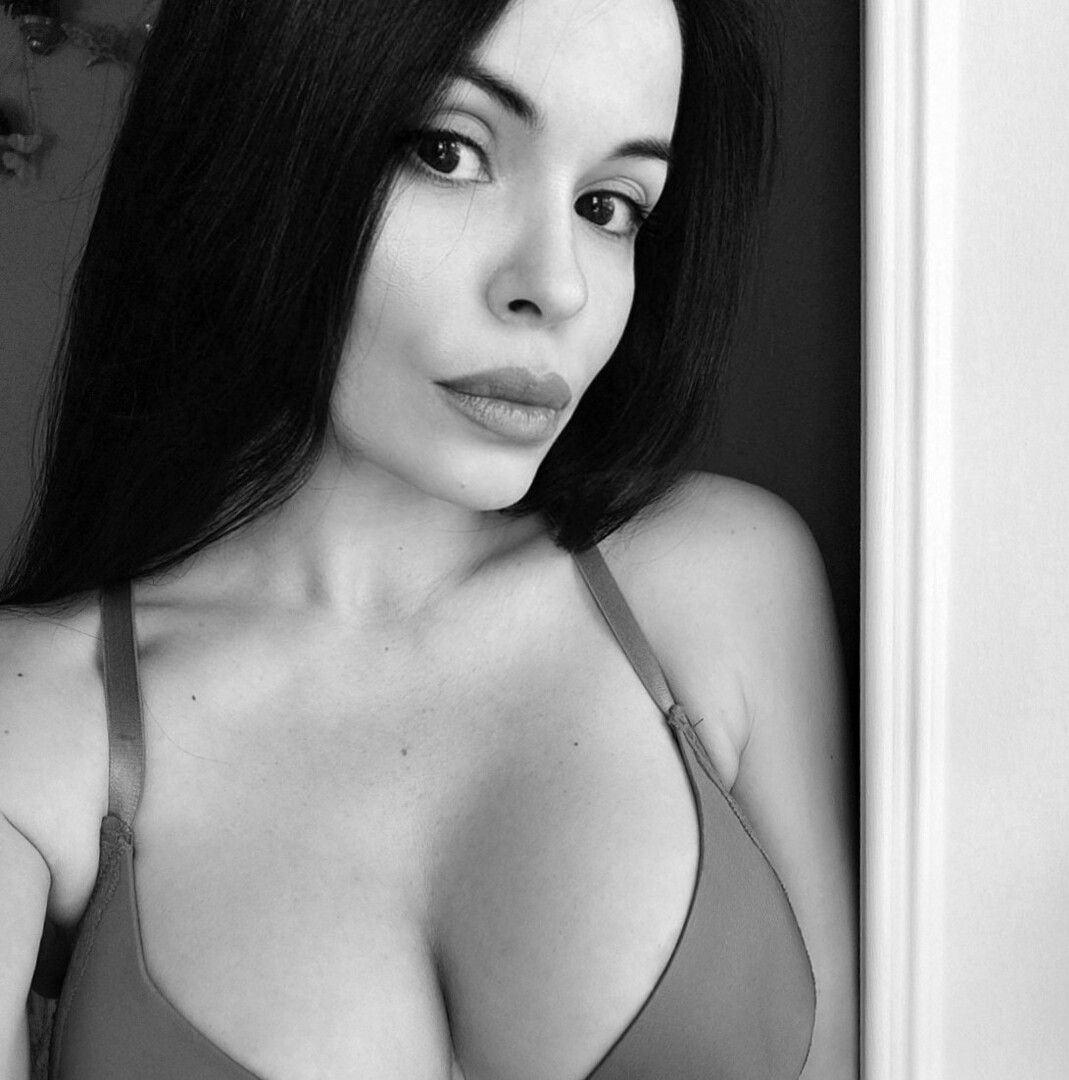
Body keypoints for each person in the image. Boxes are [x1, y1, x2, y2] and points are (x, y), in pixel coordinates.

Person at [0, 0, 857, 1076]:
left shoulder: (722, 586)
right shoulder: (40, 716)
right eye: (449, 153)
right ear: (261, 132)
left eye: (609, 205)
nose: (556, 284)